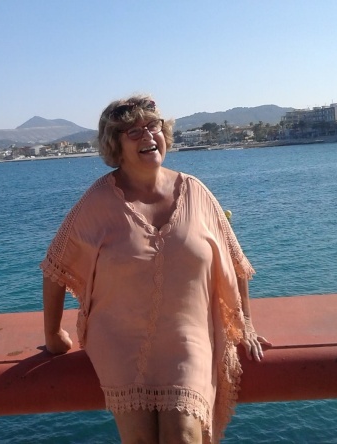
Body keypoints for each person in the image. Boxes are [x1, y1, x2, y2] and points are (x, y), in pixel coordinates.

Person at [40, 95, 270, 444]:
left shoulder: (195, 193)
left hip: (187, 337)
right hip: (118, 339)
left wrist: (246, 323)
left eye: (153, 126)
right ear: (115, 144)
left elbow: (234, 261)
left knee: (184, 433)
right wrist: (53, 336)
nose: (148, 135)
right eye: (133, 131)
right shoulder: (96, 203)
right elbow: (55, 265)